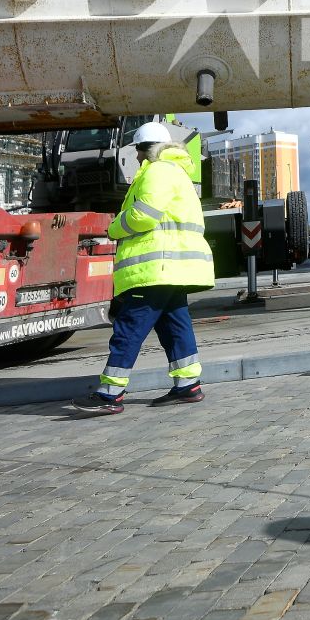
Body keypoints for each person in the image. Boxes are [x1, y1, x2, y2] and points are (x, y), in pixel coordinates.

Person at [71, 122, 215, 416]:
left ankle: (110, 393)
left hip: (155, 268)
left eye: (138, 151)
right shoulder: (177, 173)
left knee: (129, 328)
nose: (136, 158)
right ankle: (187, 385)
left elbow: (144, 216)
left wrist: (113, 228)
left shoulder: (158, 171)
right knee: (175, 326)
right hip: (172, 268)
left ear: (145, 149)